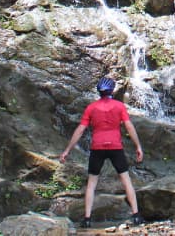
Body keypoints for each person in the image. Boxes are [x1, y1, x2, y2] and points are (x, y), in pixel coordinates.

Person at [59, 77, 145, 228]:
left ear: (99, 91)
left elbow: (80, 130)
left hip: (97, 147)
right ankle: (136, 215)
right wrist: (138, 146)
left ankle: (87, 219)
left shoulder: (91, 108)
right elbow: (129, 127)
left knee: (92, 183)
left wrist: (67, 150)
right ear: (112, 90)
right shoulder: (119, 106)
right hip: (115, 147)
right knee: (126, 180)